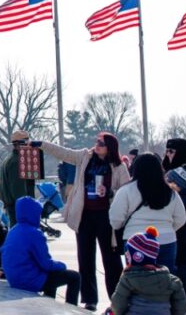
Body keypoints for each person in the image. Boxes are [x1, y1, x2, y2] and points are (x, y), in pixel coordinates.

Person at [37, 132, 130, 310]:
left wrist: (110, 192)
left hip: (106, 216)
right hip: (85, 214)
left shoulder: (119, 167)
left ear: (110, 147)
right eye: (97, 141)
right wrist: (41, 144)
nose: (97, 145)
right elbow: (63, 153)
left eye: (101, 143)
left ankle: (117, 298)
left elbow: (126, 191)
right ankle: (90, 299)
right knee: (85, 258)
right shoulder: (85, 156)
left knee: (111, 260)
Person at [110, 154, 186, 274]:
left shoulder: (126, 190)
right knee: (165, 282)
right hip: (166, 240)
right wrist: (167, 229)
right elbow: (181, 218)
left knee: (136, 282)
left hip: (134, 241)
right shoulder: (170, 192)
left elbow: (115, 220)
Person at [0, 196, 81, 306]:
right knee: (74, 277)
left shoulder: (14, 230)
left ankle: (47, 307)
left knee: (52, 278)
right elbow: (46, 264)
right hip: (29, 281)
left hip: (14, 279)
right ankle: (71, 309)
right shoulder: (34, 233)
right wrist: (62, 265)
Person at [108, 227, 186, 315]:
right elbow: (181, 309)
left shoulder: (128, 278)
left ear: (137, 257)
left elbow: (117, 306)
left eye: (128, 252)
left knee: (109, 312)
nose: (126, 254)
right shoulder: (172, 281)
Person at [165, 164, 186, 313]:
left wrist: (175, 249)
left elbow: (182, 231)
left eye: (168, 179)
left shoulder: (185, 202)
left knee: (184, 284)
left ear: (176, 183)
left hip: (182, 252)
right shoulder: (183, 199)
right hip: (182, 250)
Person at [0, 130, 40, 226]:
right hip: (19, 207)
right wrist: (27, 207)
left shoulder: (9, 159)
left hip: (12, 204)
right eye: (27, 142)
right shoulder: (17, 162)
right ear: (20, 144)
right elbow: (18, 189)